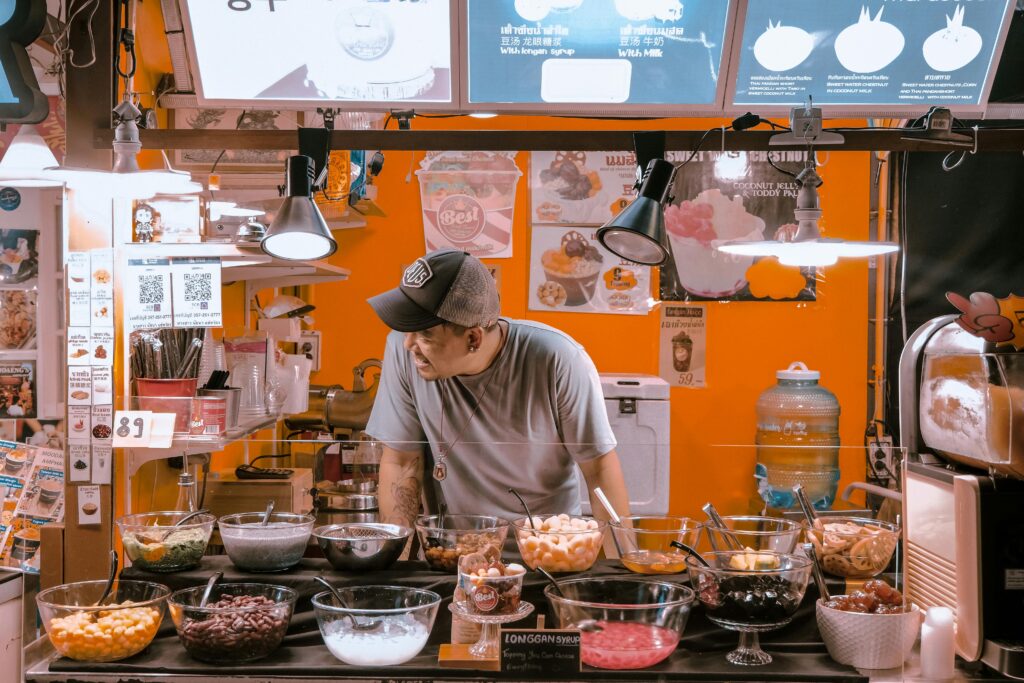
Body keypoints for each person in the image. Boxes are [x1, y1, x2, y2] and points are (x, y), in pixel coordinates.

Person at [366, 248, 631, 526]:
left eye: (425, 333)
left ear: (473, 338)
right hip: (454, 550)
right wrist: (395, 563)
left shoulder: (558, 359)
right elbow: (401, 461)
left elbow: (599, 468)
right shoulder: (403, 348)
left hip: (546, 548)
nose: (409, 344)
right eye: (406, 327)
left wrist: (621, 562)